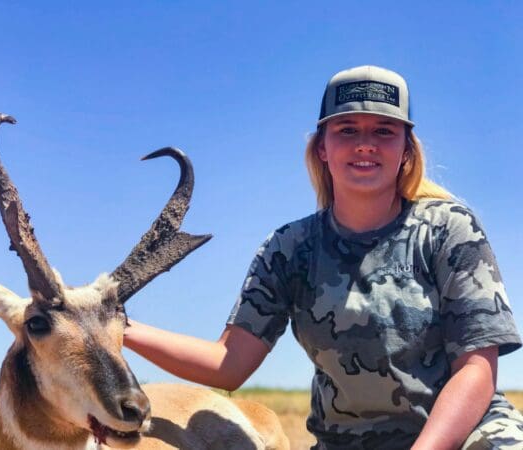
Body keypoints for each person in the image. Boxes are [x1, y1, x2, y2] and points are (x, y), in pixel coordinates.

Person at [124, 65, 523, 449]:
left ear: (406, 149)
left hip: (464, 433)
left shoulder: (449, 229)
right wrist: (114, 327)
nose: (365, 143)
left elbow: (476, 369)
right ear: (322, 148)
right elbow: (228, 364)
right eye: (347, 129)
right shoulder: (289, 248)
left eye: (384, 131)